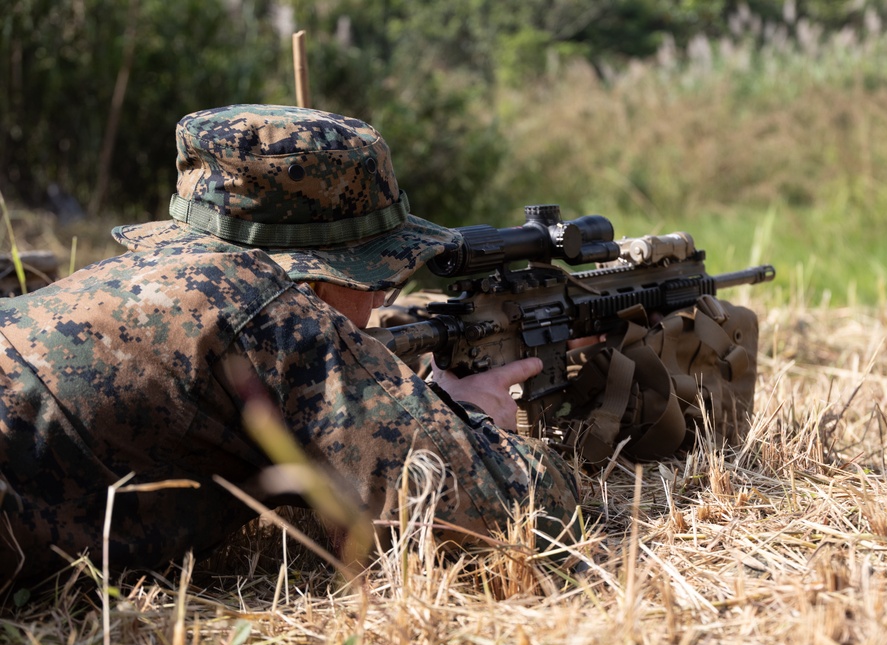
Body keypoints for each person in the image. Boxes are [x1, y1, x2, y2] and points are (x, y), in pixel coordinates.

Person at [0, 104, 580, 585]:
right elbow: (508, 518)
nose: (379, 299)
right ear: (315, 273)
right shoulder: (265, 308)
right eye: (375, 276)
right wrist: (472, 417)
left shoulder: (135, 284)